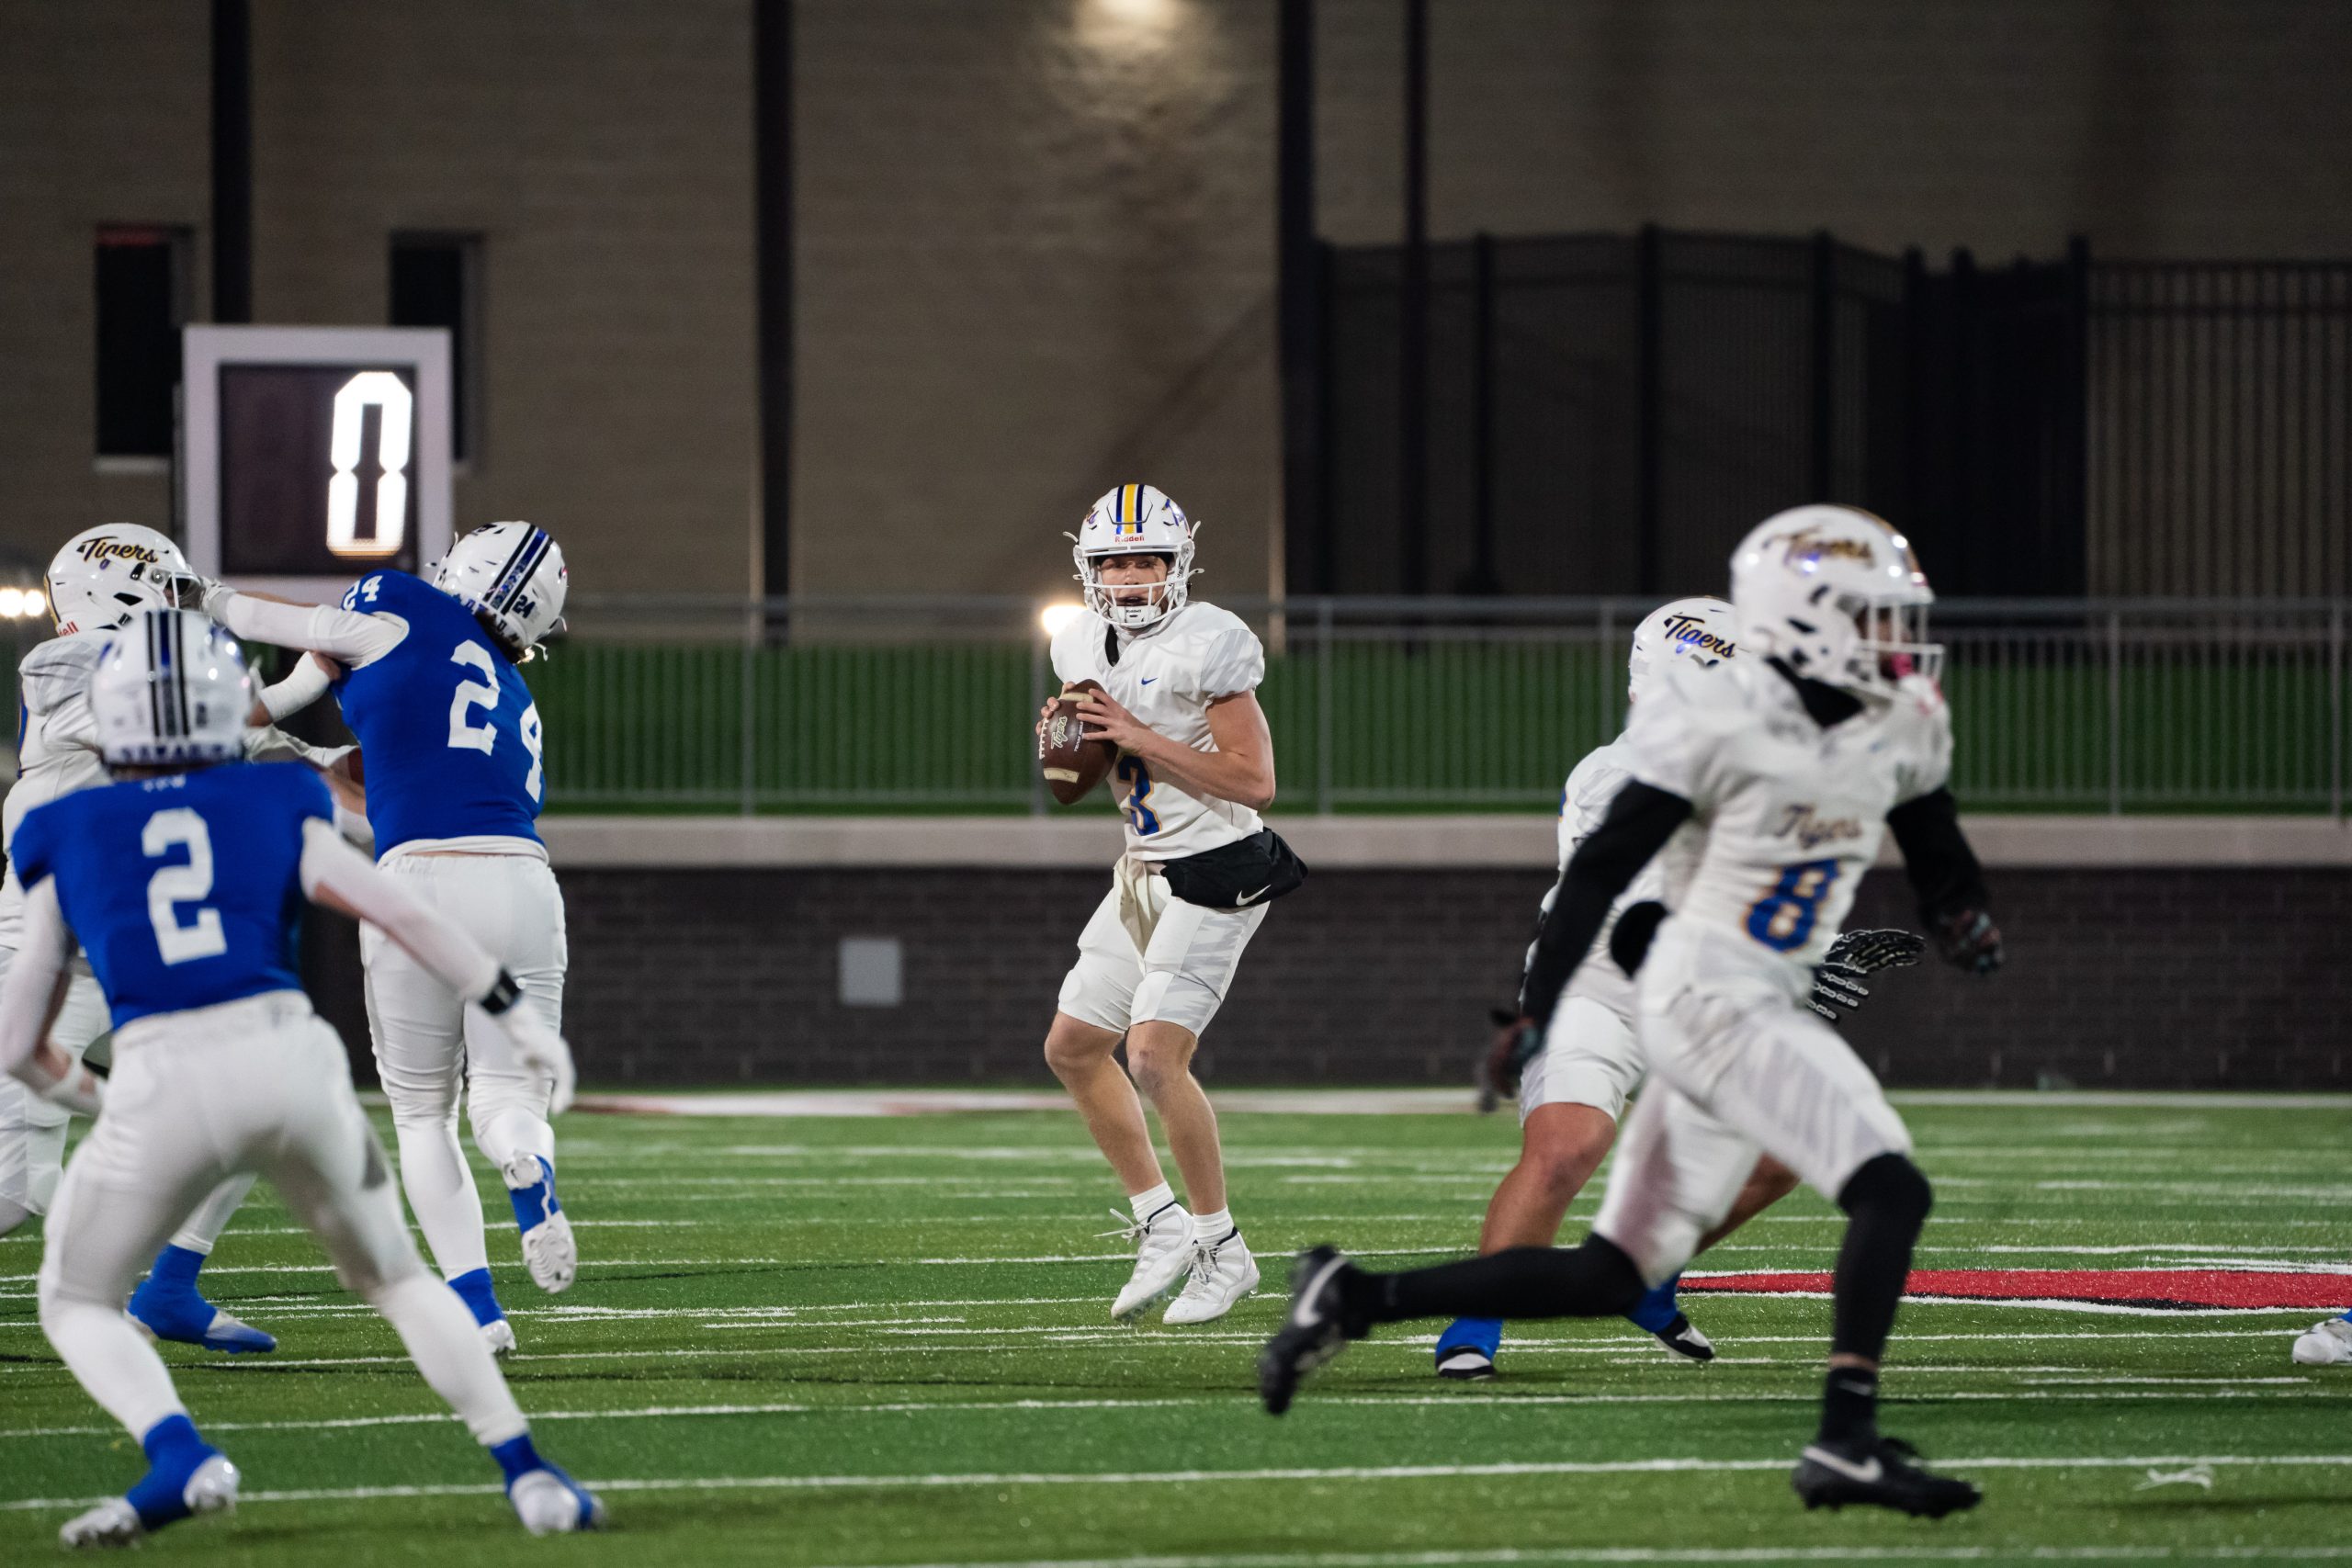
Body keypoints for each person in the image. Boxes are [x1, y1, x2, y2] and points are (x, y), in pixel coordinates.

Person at [1260, 506, 2003, 1519]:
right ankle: (1841, 1438)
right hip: (1658, 983)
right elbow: (1623, 900)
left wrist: (1957, 910)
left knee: (1617, 1268)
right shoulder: (1679, 745)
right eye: (1869, 616)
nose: (1891, 637)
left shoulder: (1897, 720)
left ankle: (1352, 1295)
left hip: (1725, 985)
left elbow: (1927, 828)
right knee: (1871, 1183)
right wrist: (1541, 1013)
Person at [4, 609, 600, 1546]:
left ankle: (178, 1453)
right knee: (399, 1280)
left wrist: (96, 1098)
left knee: (76, 1298)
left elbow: (16, 1045)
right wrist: (513, 1013)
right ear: (227, 703)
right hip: (290, 1063)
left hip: (160, 1076)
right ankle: (530, 1473)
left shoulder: (63, 827)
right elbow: (399, 911)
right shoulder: (274, 798)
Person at [196, 523, 572, 1354]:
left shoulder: (400, 602)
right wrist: (299, 745)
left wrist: (204, 597)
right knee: (509, 1101)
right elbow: (396, 786)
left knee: (422, 1113)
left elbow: (289, 625)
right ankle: (528, 1166)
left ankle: (480, 1311)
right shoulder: (513, 696)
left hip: (419, 882)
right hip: (522, 881)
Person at [0, 524, 316, 1354]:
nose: (185, 608)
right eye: (172, 591)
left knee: (256, 1100)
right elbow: (204, 726)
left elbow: (239, 742)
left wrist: (351, 766)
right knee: (16, 1194)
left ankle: (170, 1286)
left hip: (134, 957)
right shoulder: (68, 669)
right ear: (120, 594)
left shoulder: (160, 686)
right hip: (47, 965)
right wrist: (305, 679)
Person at [1038, 483, 1297, 1325]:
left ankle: (1223, 1249)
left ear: (1177, 564)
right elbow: (1088, 769)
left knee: (1152, 1056)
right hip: (1142, 869)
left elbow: (1255, 780)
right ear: (1090, 570)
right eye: (1114, 563)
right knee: (1074, 1047)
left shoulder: (1210, 640)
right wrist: (1068, 744)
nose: (1130, 578)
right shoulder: (1079, 639)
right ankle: (1161, 1221)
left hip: (1218, 868)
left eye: (1146, 560)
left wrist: (1137, 735)